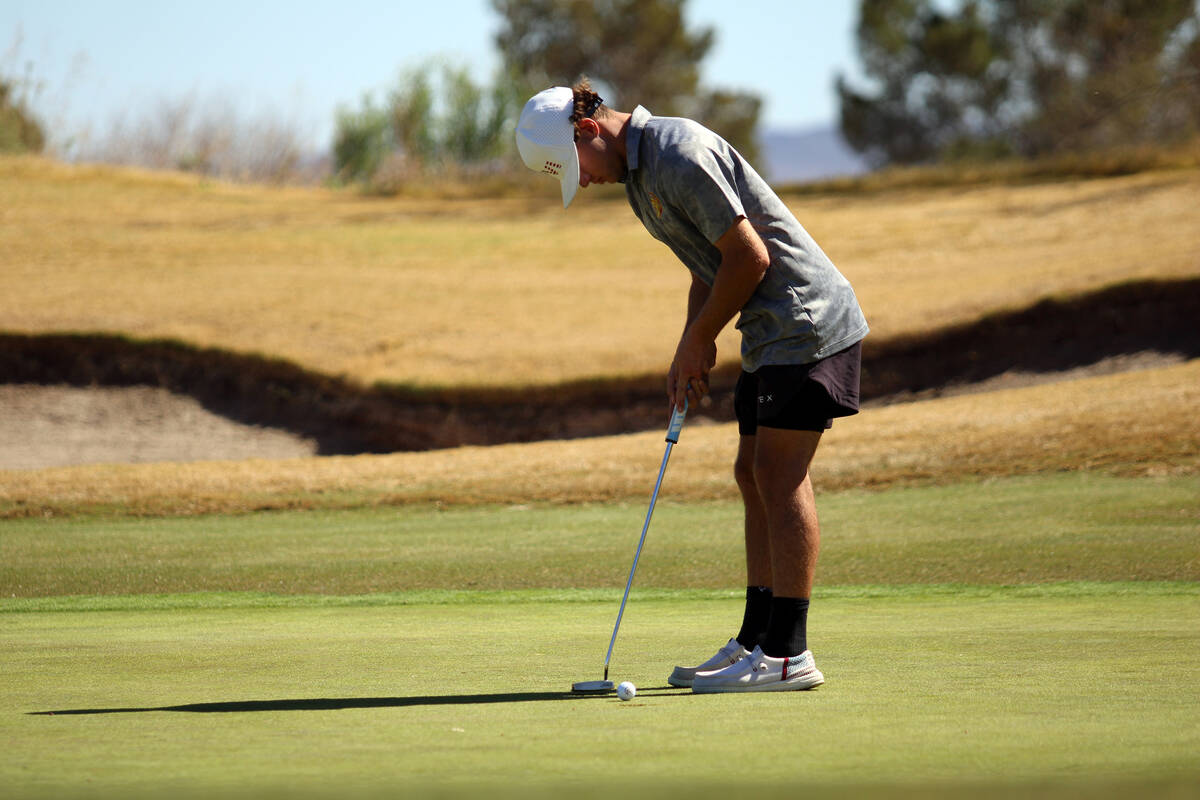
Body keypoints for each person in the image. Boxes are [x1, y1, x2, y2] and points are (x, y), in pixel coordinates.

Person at [515, 80, 868, 693]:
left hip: (806, 322)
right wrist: (689, 343)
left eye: (578, 168)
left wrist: (701, 339)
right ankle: (759, 636)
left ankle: (788, 654)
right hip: (769, 332)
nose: (586, 182)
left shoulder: (678, 154)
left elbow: (749, 258)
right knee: (751, 473)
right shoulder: (641, 181)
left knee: (781, 478)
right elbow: (708, 266)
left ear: (588, 130)